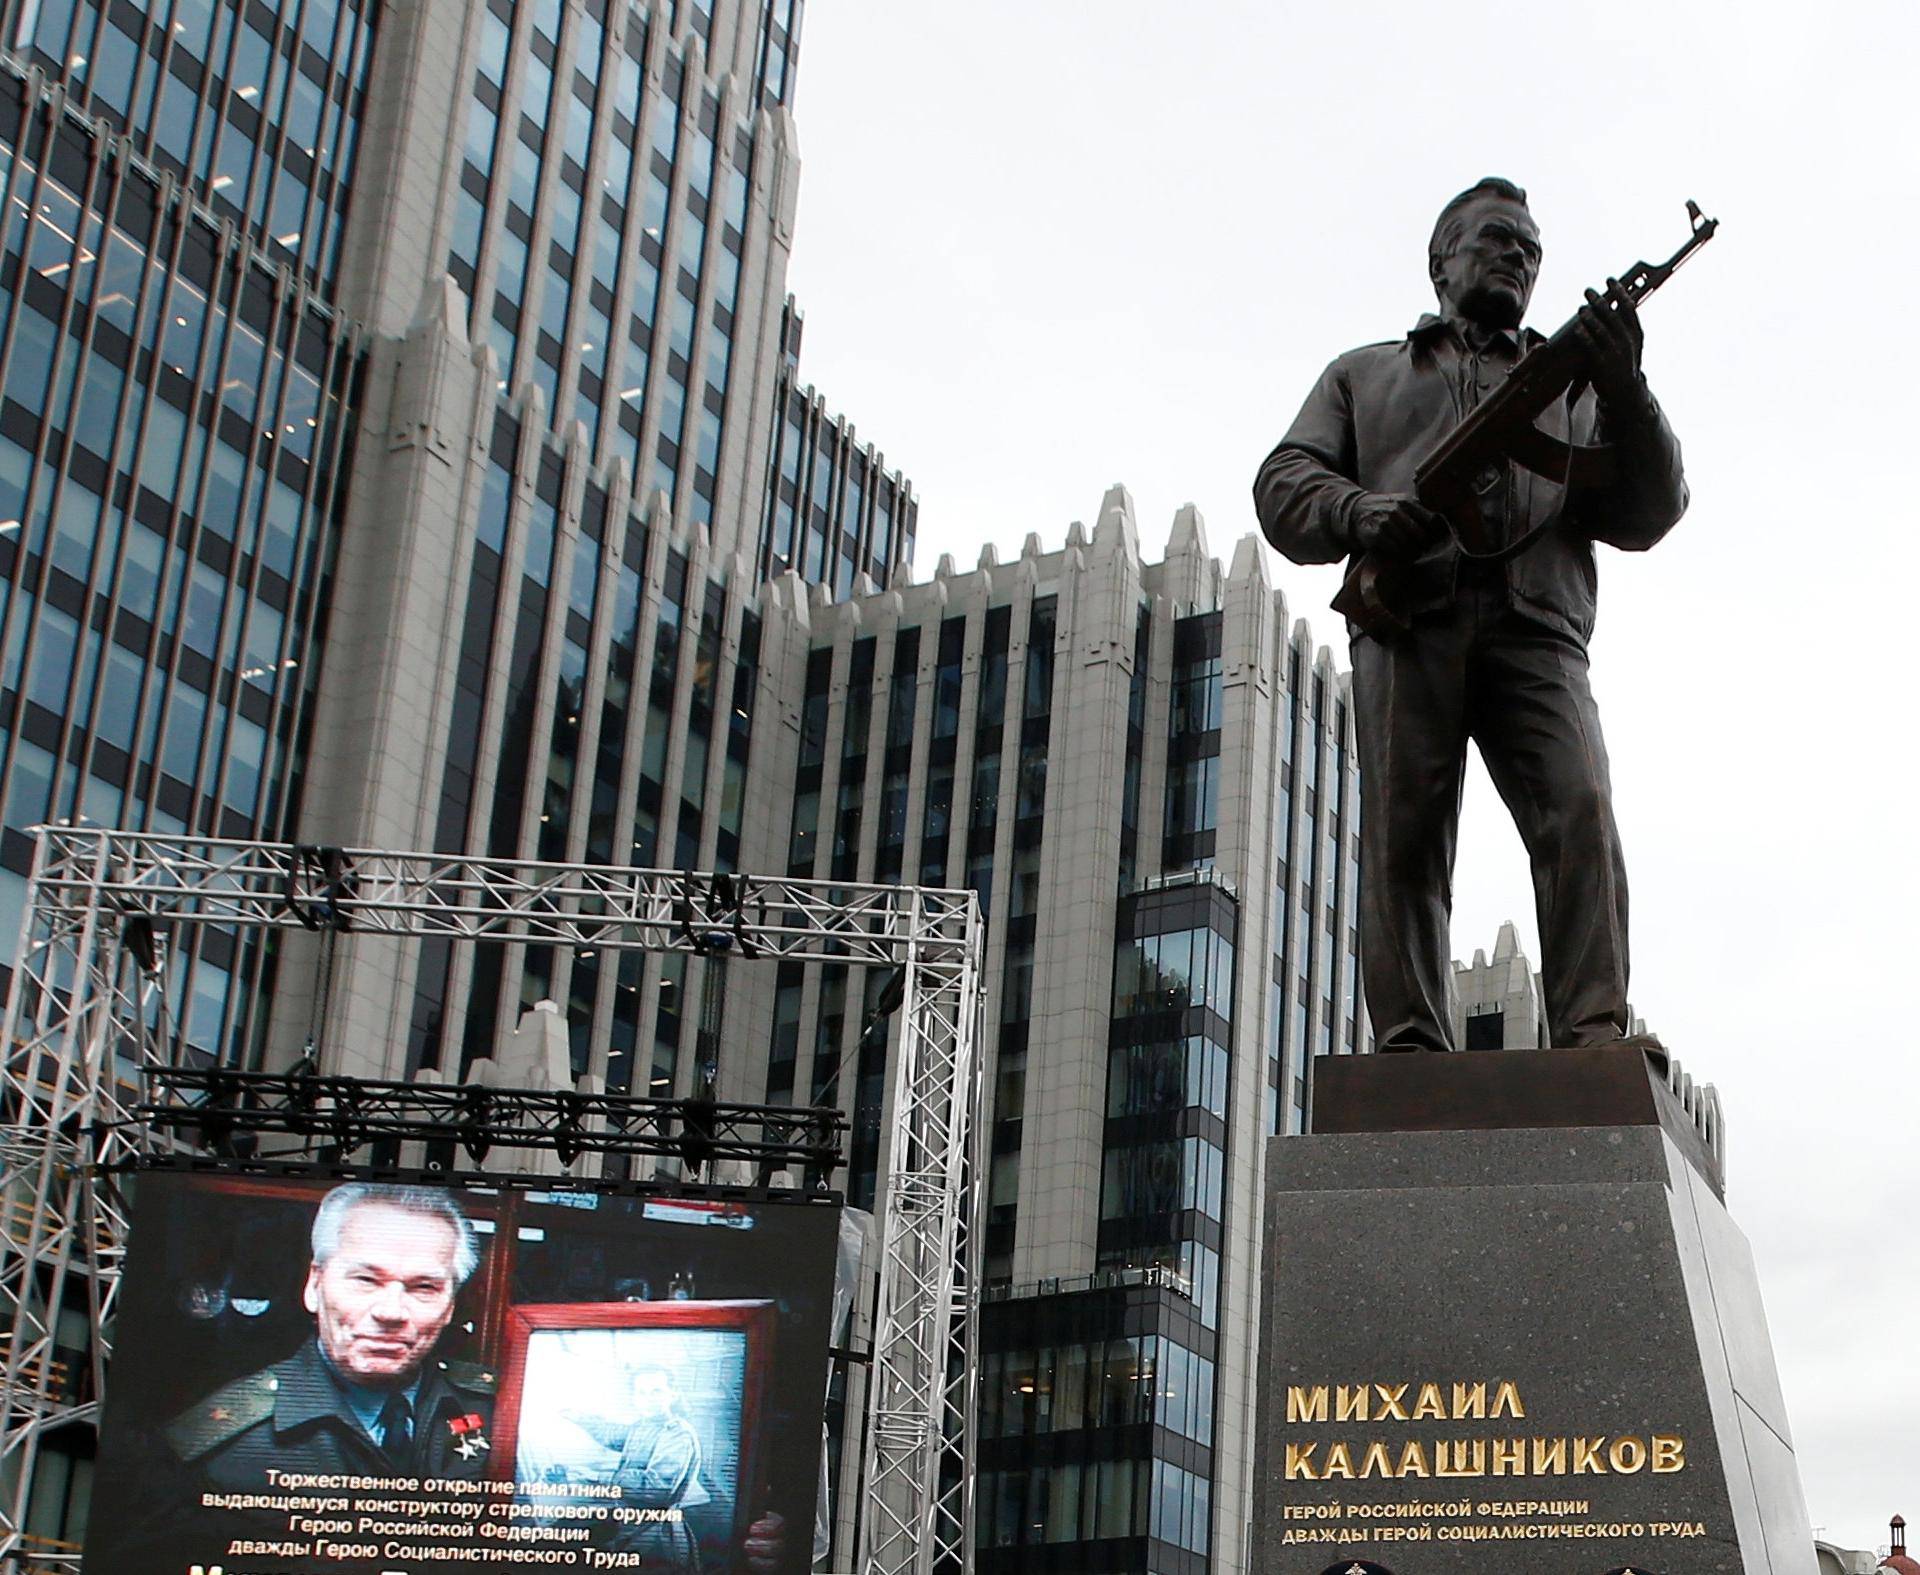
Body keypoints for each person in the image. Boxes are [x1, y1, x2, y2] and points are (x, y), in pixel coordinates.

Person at [1254, 177, 1687, 1053]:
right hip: (1413, 618)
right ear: (1440, 261)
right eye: (1497, 240)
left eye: (1530, 248)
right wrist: (1360, 511)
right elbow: (1283, 483)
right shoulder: (1365, 374)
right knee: (1404, 835)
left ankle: (1593, 1026)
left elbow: (1655, 506)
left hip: (1540, 628)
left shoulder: (1577, 385)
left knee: (1580, 806)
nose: (1519, 257)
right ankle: (1410, 1040)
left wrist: (1627, 389)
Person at [165, 1181, 495, 1484]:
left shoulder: (502, 1412)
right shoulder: (223, 1445)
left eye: (424, 1287)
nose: (390, 1312)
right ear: (314, 1285)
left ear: (450, 1306)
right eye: (365, 1280)